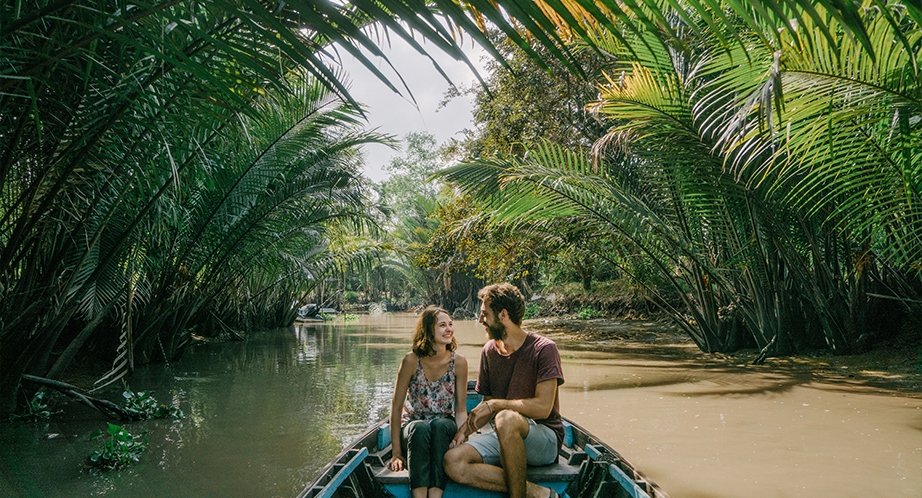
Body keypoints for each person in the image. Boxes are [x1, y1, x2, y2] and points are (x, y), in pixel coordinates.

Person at [444, 283, 564, 498]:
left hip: (544, 439)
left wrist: (498, 405)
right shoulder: (489, 351)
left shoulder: (544, 349)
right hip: (505, 436)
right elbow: (487, 406)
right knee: (453, 461)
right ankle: (538, 494)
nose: (481, 321)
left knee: (505, 418)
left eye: (484, 314)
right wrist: (463, 432)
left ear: (503, 315)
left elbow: (544, 408)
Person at [387, 306, 468, 498]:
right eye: (442, 325)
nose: (449, 329)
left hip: (444, 425)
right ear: (428, 330)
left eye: (450, 325)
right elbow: (397, 408)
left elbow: (461, 410)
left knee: (440, 426)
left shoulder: (459, 362)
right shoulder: (411, 360)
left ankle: (436, 495)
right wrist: (396, 453)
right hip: (414, 426)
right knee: (420, 428)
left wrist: (462, 440)